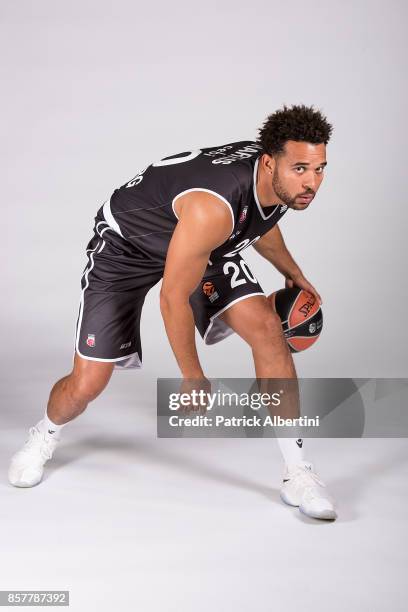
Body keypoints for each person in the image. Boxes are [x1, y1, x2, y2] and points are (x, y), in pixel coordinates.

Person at [8, 104, 337, 520]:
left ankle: (297, 472)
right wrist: (192, 375)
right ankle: (44, 434)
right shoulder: (212, 208)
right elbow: (172, 298)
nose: (312, 182)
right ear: (270, 162)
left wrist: (295, 273)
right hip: (127, 249)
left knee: (268, 330)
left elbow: (260, 219)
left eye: (320, 169)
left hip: (197, 244)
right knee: (87, 383)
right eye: (302, 170)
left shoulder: (281, 179)